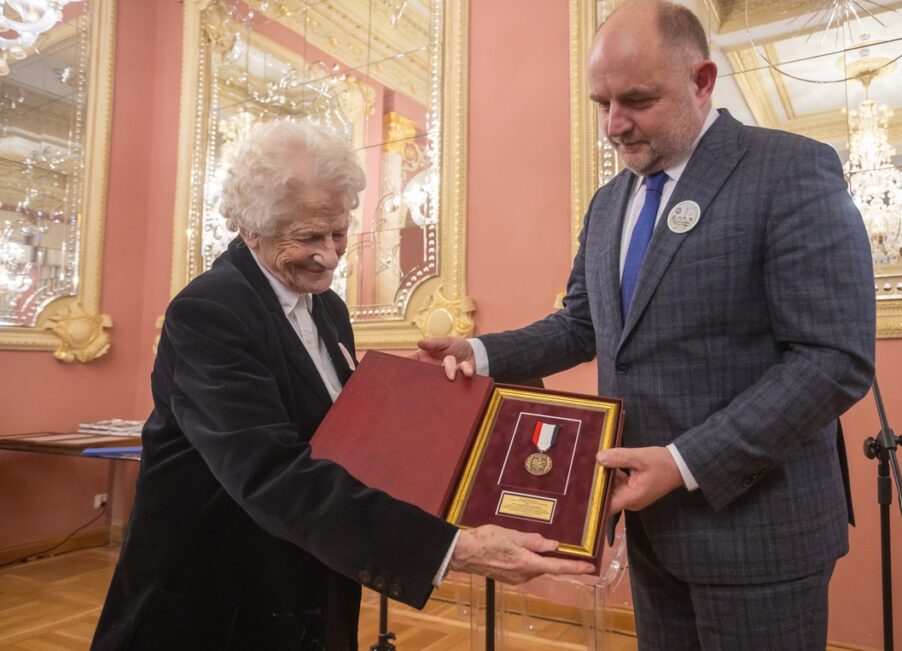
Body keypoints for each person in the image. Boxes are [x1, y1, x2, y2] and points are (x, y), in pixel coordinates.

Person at [417, 0, 876, 650]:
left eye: (636, 99)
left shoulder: (790, 170)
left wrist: (686, 461)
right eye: (601, 103)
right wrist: (479, 352)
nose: (614, 124)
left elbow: (833, 359)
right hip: (651, 527)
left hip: (759, 534)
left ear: (702, 81)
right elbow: (581, 324)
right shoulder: (610, 203)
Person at [91, 121, 592, 651]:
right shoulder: (209, 312)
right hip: (219, 601)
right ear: (250, 230)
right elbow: (272, 475)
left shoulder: (326, 306)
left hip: (312, 586)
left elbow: (344, 435)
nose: (331, 256)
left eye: (338, 232)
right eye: (309, 237)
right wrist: (452, 550)